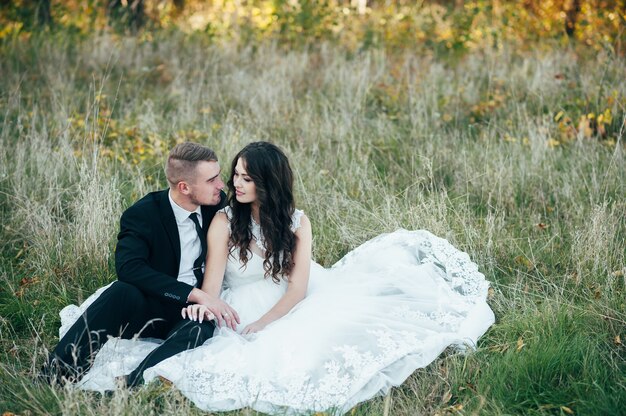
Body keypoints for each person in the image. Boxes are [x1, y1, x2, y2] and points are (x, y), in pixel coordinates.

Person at [58, 142, 495, 414]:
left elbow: (299, 287)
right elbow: (200, 280)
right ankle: (85, 377)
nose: (231, 185)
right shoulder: (211, 219)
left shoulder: (291, 220)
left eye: (242, 177)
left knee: (311, 343)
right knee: (176, 314)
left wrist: (262, 322)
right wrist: (202, 300)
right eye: (227, 177)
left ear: (266, 182)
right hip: (208, 297)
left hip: (285, 300)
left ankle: (139, 380)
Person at [42, 142, 239, 387]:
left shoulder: (217, 207)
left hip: (190, 312)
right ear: (184, 187)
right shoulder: (143, 214)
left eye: (218, 176)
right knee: (119, 292)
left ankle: (132, 383)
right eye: (211, 180)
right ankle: (56, 374)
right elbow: (129, 268)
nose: (221, 185)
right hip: (152, 305)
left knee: (201, 328)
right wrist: (194, 293)